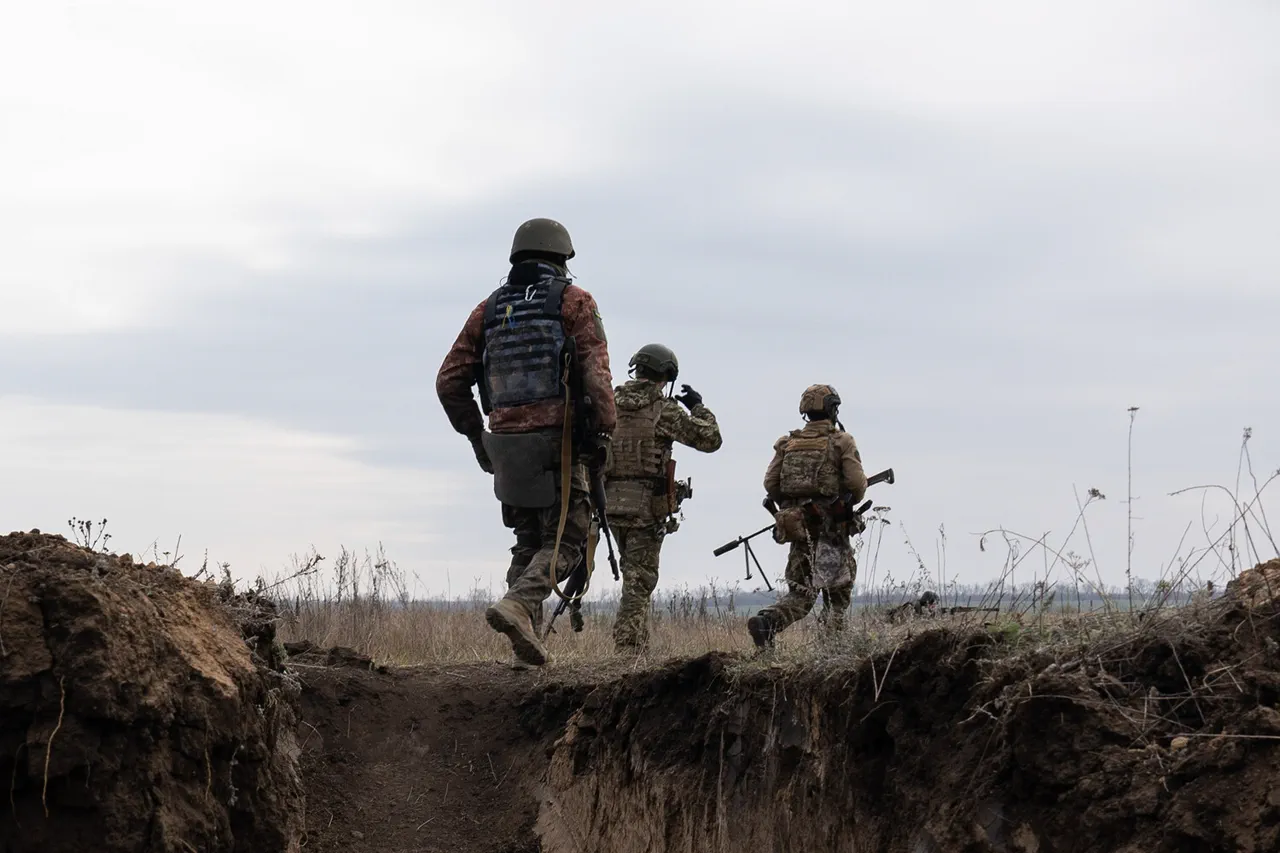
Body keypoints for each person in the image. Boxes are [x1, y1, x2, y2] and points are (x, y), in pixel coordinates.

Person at [435, 217, 615, 666]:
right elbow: (597, 379)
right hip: (559, 445)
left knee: (528, 541)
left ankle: (525, 646)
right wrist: (602, 432)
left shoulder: (488, 310)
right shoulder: (575, 301)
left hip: (507, 447)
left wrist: (478, 437)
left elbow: (449, 381)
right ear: (561, 258)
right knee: (568, 542)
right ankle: (517, 606)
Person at [605, 343, 722, 652]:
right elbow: (711, 439)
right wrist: (698, 407)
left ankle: (636, 646)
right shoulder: (663, 409)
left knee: (633, 573)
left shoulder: (609, 404)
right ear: (666, 375)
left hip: (610, 503)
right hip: (645, 507)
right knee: (640, 579)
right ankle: (628, 646)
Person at [748, 384, 867, 649]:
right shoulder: (841, 441)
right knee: (837, 595)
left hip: (799, 530)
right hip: (832, 532)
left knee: (801, 594)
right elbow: (857, 486)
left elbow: (771, 484)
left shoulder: (786, 443)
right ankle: (831, 650)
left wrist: (794, 507)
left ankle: (767, 622)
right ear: (832, 409)